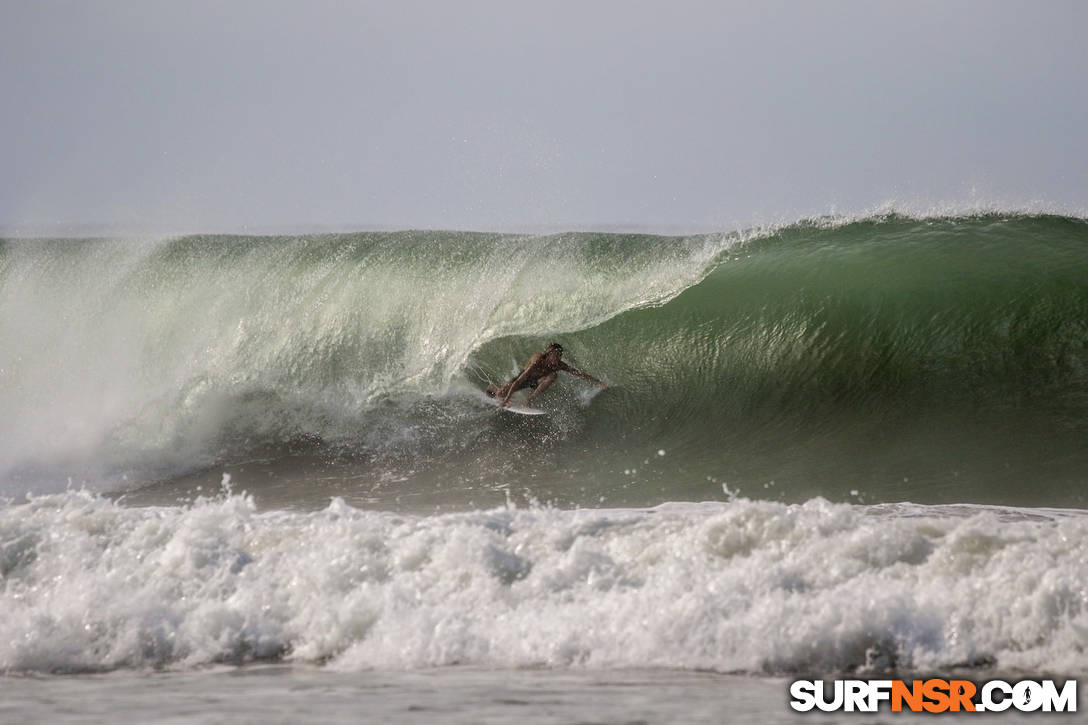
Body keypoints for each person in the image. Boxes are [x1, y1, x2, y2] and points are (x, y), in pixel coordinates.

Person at [486, 342, 608, 408]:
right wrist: (507, 399)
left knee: (553, 375)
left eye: (560, 355)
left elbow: (579, 373)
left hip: (537, 382)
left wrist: (598, 382)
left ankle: (530, 398)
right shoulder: (537, 360)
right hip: (523, 379)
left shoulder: (559, 365)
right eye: (555, 355)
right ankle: (494, 388)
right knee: (500, 394)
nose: (558, 358)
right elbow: (519, 380)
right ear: (549, 354)